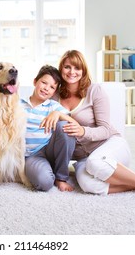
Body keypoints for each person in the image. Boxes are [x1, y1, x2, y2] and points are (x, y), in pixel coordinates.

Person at [57, 49, 135, 195]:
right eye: (67, 67)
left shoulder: (94, 90)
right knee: (88, 185)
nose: (71, 72)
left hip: (110, 144)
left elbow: (105, 129)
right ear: (61, 68)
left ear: (83, 70)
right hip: (82, 158)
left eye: (77, 68)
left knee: (95, 162)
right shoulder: (55, 97)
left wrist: (83, 131)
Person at [21, 65, 77, 192]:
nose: (46, 88)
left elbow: (75, 124)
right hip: (31, 155)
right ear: (35, 81)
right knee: (45, 183)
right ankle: (45, 170)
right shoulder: (18, 103)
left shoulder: (53, 106)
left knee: (66, 126)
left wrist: (58, 114)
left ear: (54, 92)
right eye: (44, 83)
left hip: (50, 150)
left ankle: (61, 178)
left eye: (52, 87)